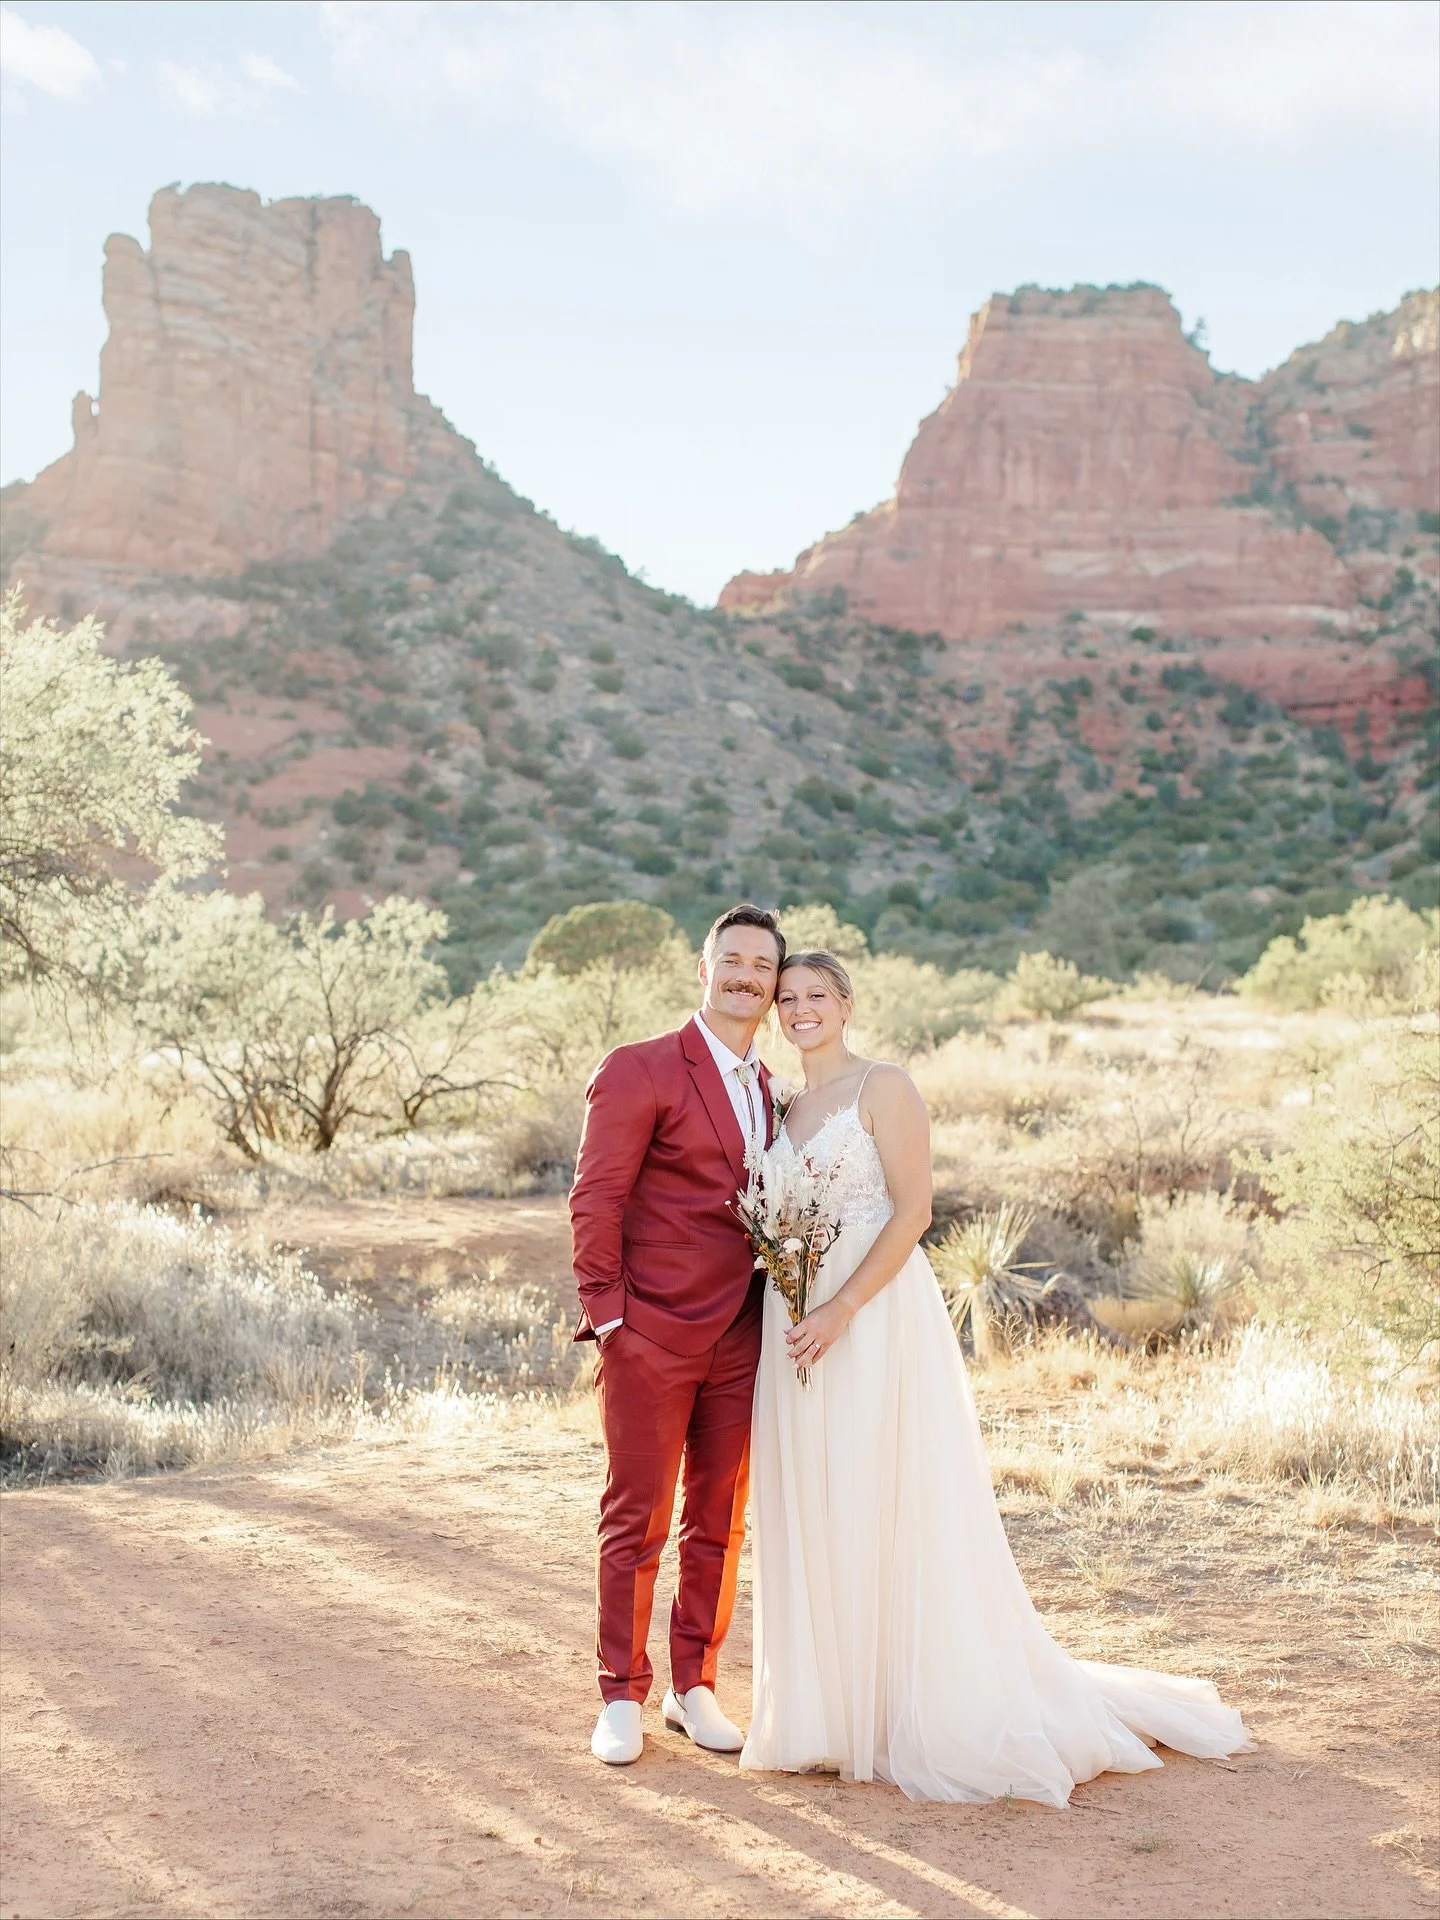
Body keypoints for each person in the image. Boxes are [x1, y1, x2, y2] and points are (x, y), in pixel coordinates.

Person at [740, 948, 1253, 1804]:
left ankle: (914, 1704)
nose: (798, 1009)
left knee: (882, 1489)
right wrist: (797, 1300)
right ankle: (831, 1712)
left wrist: (842, 1310)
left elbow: (914, 1212)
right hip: (794, 1321)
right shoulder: (785, 1106)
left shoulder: (884, 1086)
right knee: (819, 1497)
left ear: (846, 1004)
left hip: (870, 1319)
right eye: (786, 997)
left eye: (815, 996)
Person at [570, 903, 783, 1766]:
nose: (745, 975)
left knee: (720, 1520)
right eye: (730, 959)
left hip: (743, 1330)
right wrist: (611, 1317)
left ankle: (694, 1686)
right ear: (704, 970)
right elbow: (596, 1197)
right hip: (650, 1331)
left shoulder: (769, 1087)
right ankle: (620, 1693)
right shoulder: (641, 1067)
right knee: (637, 1517)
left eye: (761, 966)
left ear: (773, 987)